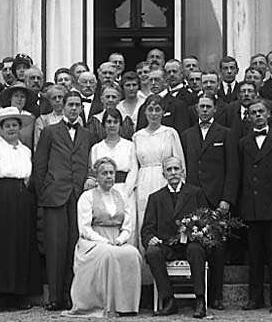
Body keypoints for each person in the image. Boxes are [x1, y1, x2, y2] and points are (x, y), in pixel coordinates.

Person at [32, 92, 95, 311]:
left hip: (78, 197)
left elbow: (90, 163)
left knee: (74, 246)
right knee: (55, 247)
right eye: (70, 104)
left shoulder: (87, 135)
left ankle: (71, 296)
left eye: (78, 105)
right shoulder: (50, 132)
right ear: (63, 106)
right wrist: (43, 192)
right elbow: (39, 164)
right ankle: (54, 296)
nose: (74, 108)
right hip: (55, 196)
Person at [64, 157, 143, 318]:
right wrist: (106, 241)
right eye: (104, 173)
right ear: (97, 177)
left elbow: (127, 226)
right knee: (109, 254)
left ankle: (126, 306)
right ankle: (107, 305)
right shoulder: (87, 197)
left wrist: (120, 239)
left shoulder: (121, 196)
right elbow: (85, 228)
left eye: (111, 173)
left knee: (133, 253)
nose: (108, 177)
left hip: (116, 239)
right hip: (92, 241)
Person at [180, 93, 238, 309]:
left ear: (215, 109)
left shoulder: (226, 134)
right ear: (196, 109)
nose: (204, 110)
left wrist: (226, 199)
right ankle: (198, 295)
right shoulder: (187, 135)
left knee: (217, 248)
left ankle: (217, 296)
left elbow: (233, 169)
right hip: (194, 198)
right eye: (201, 106)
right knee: (195, 245)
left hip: (217, 199)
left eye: (208, 107)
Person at [0, 108, 41, 309]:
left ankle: (18, 294)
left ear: (20, 128)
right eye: (7, 126)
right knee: (0, 246)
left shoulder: (26, 150)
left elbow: (28, 177)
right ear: (0, 129)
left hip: (22, 197)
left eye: (14, 125)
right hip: (0, 197)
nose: (11, 129)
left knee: (21, 244)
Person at [142, 157, 208, 319]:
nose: (173, 173)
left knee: (196, 250)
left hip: (190, 244)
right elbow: (147, 228)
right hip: (167, 245)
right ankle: (168, 300)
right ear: (163, 174)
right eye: (169, 170)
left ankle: (200, 300)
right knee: (152, 253)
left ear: (182, 171)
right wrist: (150, 239)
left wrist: (198, 232)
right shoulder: (155, 198)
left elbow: (206, 220)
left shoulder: (195, 193)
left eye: (176, 169)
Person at [238, 99, 272, 310]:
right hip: (252, 206)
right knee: (255, 255)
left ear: (269, 114)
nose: (257, 115)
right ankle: (255, 297)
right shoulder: (243, 143)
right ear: (249, 117)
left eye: (261, 112)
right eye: (253, 112)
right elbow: (240, 174)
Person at [133, 95, 186, 248]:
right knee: (145, 219)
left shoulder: (170, 133)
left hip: (165, 179)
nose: (154, 113)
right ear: (145, 112)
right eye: (150, 109)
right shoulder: (137, 136)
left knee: (167, 218)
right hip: (144, 181)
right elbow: (134, 164)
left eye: (157, 109)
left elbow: (179, 161)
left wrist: (180, 186)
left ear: (163, 112)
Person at [89, 108, 138, 207]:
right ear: (103, 125)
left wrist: (125, 194)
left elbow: (134, 171)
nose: (112, 125)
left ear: (120, 124)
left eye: (115, 122)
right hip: (102, 194)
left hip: (125, 192)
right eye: (109, 122)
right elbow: (95, 172)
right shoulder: (96, 148)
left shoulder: (129, 146)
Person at [34, 84, 67, 148]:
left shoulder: (75, 118)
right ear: (50, 101)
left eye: (60, 97)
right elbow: (38, 145)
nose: (57, 100)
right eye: (54, 98)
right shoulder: (42, 120)